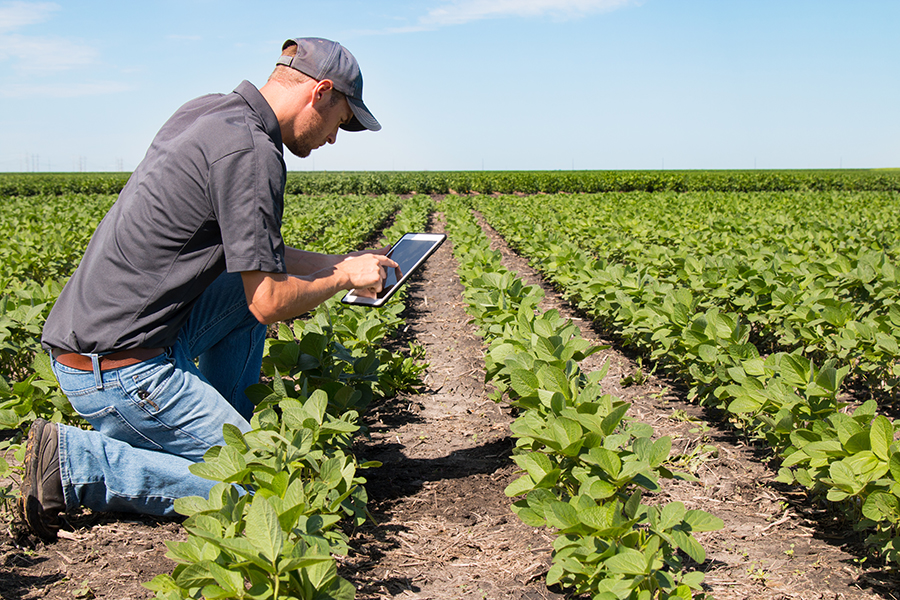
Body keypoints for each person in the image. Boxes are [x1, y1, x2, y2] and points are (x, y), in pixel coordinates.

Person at [19, 37, 397, 541]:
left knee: (239, 292)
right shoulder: (253, 154)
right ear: (321, 92)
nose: (334, 138)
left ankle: (224, 428)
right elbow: (268, 301)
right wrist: (345, 278)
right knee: (264, 492)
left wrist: (339, 261)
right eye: (342, 121)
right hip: (117, 371)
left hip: (100, 341)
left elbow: (258, 263)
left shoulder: (209, 114)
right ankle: (78, 463)